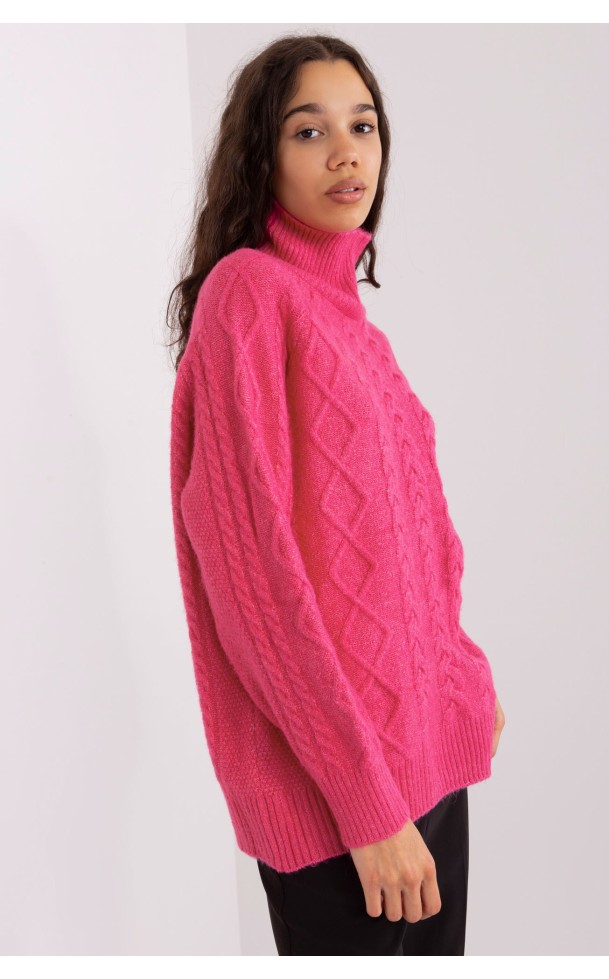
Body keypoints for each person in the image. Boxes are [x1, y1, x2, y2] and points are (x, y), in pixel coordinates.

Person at [166, 32, 505, 956]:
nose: (347, 152)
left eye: (363, 126)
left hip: (425, 773)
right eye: (309, 130)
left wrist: (461, 672)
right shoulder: (248, 295)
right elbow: (256, 586)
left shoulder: (353, 325)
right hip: (343, 807)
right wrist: (366, 807)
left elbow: (418, 543)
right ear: (262, 155)